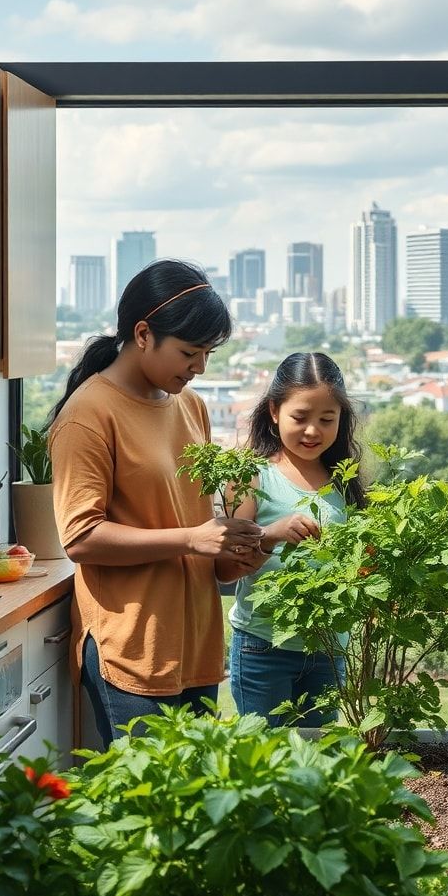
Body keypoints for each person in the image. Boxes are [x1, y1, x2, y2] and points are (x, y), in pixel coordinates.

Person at [47, 260, 264, 748]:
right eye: (190, 352)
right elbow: (80, 538)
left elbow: (196, 531)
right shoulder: (88, 416)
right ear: (143, 334)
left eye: (207, 353)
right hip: (133, 650)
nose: (200, 367)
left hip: (196, 645)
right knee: (145, 818)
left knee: (193, 813)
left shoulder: (191, 407)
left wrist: (242, 546)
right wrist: (192, 538)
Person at [217, 352, 367, 726]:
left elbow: (363, 561)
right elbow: (224, 569)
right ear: (273, 411)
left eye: (326, 419)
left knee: (316, 762)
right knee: (265, 761)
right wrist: (270, 535)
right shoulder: (252, 475)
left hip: (329, 648)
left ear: (341, 420)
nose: (312, 431)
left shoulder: (345, 480)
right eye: (299, 418)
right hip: (262, 647)